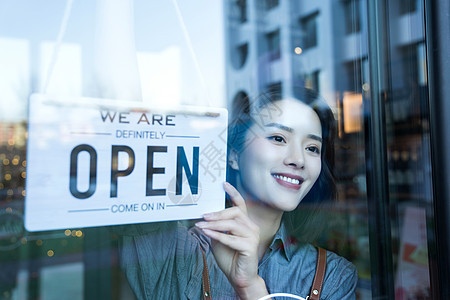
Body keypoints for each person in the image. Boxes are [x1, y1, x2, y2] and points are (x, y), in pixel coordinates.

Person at [118, 88, 357, 299]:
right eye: (278, 138)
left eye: (312, 148)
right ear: (233, 155)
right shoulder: (178, 252)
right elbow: (128, 128)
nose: (298, 159)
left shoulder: (333, 277)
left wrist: (251, 289)